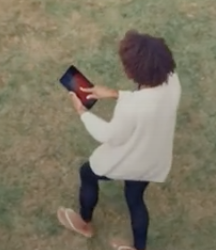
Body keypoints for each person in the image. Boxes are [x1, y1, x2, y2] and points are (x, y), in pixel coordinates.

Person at [56, 31, 182, 250]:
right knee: (135, 198)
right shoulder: (172, 80)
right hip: (153, 158)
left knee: (87, 173)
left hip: (131, 158)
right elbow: (147, 98)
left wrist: (82, 112)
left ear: (134, 72)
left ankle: (85, 223)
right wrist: (115, 94)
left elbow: (110, 136)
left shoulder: (131, 107)